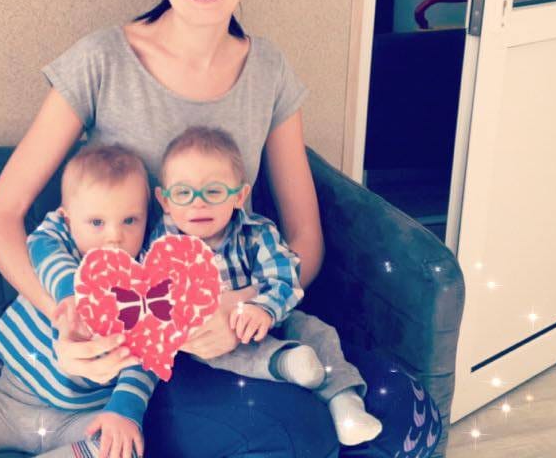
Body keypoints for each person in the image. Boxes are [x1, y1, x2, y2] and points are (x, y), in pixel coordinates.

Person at [0, 0, 396, 457]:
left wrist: (244, 307)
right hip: (133, 358)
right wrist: (70, 312)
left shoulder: (270, 71)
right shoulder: (101, 61)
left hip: (231, 334)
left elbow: (305, 238)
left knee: (373, 414)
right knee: (290, 438)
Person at [0, 144, 154, 458]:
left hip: (79, 420)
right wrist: (72, 295)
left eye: (130, 220)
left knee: (120, 448)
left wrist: (124, 412)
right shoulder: (55, 242)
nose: (114, 237)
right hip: (10, 404)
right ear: (67, 219)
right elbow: (45, 253)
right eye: (97, 223)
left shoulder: (144, 286)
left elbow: (147, 359)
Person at [150, 126, 382, 445]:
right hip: (210, 340)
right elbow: (153, 299)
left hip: (267, 317)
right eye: (183, 193)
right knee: (220, 353)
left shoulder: (257, 233)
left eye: (214, 192)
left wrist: (264, 309)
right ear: (165, 201)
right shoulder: (162, 246)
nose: (198, 204)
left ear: (239, 196)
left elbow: (285, 277)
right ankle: (286, 362)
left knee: (317, 330)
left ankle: (346, 403)